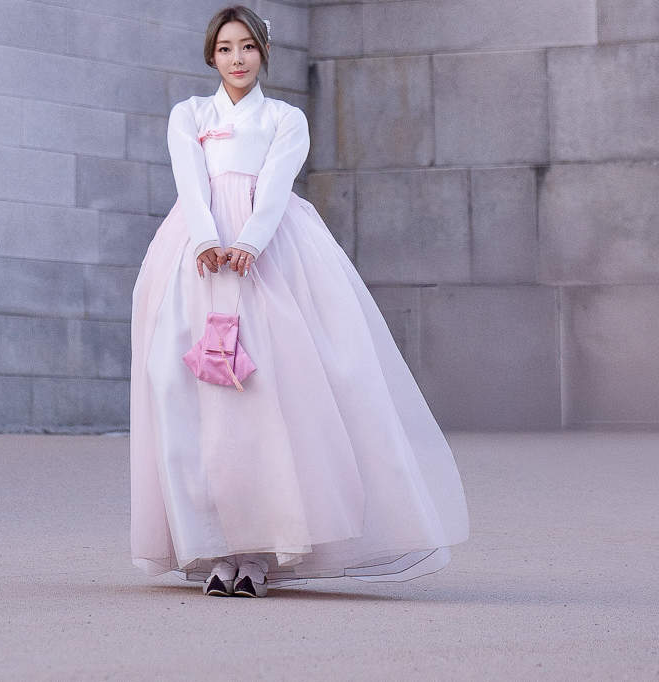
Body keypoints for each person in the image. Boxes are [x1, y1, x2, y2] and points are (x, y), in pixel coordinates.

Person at [129, 5, 470, 598]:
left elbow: (278, 183)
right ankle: (214, 547)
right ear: (212, 55)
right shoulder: (189, 115)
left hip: (269, 253)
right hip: (197, 250)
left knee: (263, 393)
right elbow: (190, 177)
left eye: (248, 48)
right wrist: (208, 238)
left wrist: (252, 243)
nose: (238, 59)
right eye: (226, 48)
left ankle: (260, 553)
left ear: (263, 52)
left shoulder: (285, 119)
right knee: (184, 387)